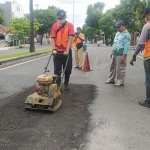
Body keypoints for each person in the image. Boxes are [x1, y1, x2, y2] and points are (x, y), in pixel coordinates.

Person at [130, 7, 150, 108]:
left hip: (149, 57)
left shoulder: (147, 26)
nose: (145, 18)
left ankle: (149, 101)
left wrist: (134, 55)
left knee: (149, 79)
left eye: (146, 16)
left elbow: (140, 43)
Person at [51, 9, 74, 90]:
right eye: (59, 18)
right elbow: (53, 38)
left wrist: (67, 49)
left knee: (68, 69)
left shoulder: (70, 25)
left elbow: (70, 38)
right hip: (57, 51)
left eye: (62, 18)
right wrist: (53, 49)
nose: (60, 20)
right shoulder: (54, 26)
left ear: (65, 17)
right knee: (57, 70)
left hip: (66, 51)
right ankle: (58, 85)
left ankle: (66, 83)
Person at [105, 20, 131, 87]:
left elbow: (126, 45)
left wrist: (124, 55)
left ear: (123, 26)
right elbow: (115, 43)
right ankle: (111, 79)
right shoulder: (117, 33)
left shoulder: (127, 35)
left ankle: (120, 81)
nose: (117, 28)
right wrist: (112, 52)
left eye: (119, 27)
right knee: (112, 66)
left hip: (121, 52)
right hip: (115, 52)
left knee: (120, 67)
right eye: (116, 27)